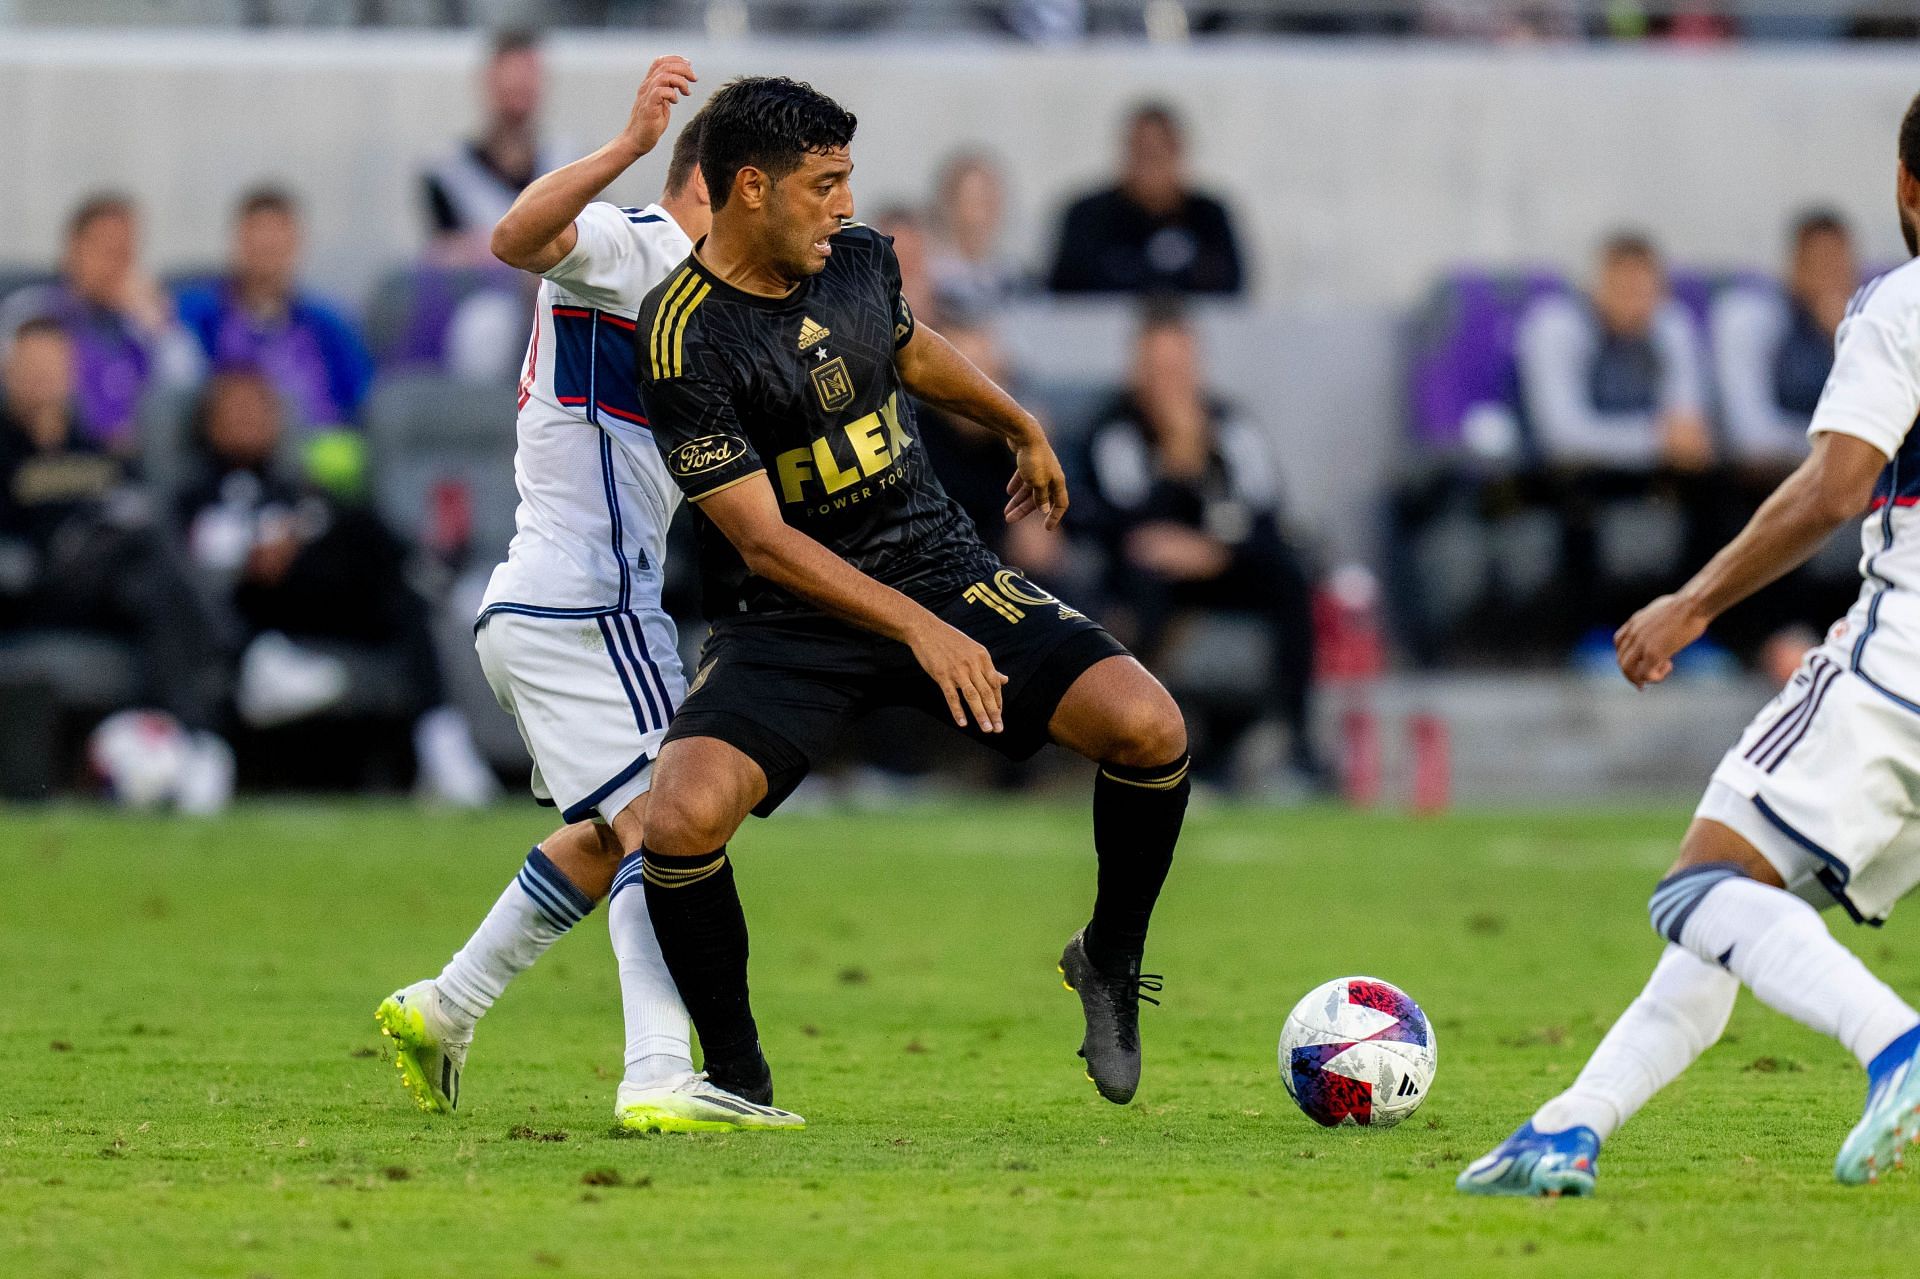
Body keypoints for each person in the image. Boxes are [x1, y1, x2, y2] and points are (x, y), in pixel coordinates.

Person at [633, 76, 1190, 1114]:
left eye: (848, 179)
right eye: (825, 184)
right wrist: (921, 632)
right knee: (680, 819)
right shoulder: (681, 335)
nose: (846, 203)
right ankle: (739, 1077)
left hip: (936, 563)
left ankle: (1109, 957)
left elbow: (905, 346)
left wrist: (1019, 419)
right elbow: (762, 538)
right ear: (751, 188)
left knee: (1149, 727)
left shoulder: (857, 258)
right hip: (787, 614)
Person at [1459, 94, 1920, 1196]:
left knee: (1700, 886)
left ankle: (1897, 1045)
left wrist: (1695, 601)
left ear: (1907, 189)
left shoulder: (1901, 301)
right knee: (1740, 909)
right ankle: (1570, 1124)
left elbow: (1838, 483)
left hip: (1902, 666)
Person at [375, 60, 798, 1134]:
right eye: (789, 186)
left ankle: (444, 1006)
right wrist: (623, 148)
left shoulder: (704, 297)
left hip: (561, 607)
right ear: (730, 183)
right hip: (584, 604)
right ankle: (657, 1068)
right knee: (670, 828)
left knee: (616, 833)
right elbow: (516, 239)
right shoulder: (636, 242)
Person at [174, 368, 496, 806]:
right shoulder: (194, 491)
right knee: (357, 542)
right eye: (235, 409)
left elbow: (319, 526)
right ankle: (438, 581)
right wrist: (258, 547)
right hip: (253, 603)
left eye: (259, 408)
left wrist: (299, 534)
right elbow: (193, 555)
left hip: (327, 596)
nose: (250, 420)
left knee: (385, 567)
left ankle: (441, 736)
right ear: (208, 422)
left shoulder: (292, 484)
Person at [1081, 305, 1324, 789]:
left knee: (1290, 576)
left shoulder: (1232, 427)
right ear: (1136, 370)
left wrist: (1216, 552)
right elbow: (1120, 523)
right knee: (1142, 580)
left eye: (1178, 368)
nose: (1168, 382)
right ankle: (1142, 743)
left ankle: (1299, 745)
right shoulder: (1115, 431)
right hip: (1152, 579)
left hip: (1223, 565)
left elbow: (1266, 513)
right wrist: (1174, 472)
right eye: (1156, 369)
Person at [0, 318, 232, 812]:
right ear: (9, 372)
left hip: (116, 584)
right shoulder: (5, 455)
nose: (43, 378)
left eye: (53, 366)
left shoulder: (102, 451)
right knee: (143, 539)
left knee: (153, 572)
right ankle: (232, 652)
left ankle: (192, 743)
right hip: (42, 584)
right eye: (31, 366)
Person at [0, 194, 202, 452]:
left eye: (124, 254)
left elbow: (188, 398)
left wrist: (161, 329)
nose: (114, 266)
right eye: (105, 250)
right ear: (73, 248)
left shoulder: (142, 324)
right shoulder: (33, 311)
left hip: (133, 459)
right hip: (52, 451)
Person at [176, 187, 376, 432]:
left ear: (296, 242)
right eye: (257, 237)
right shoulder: (199, 314)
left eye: (276, 238)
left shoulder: (329, 323)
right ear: (238, 241)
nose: (266, 248)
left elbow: (361, 399)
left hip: (314, 452)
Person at [1515, 233, 1713, 471]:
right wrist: (1656, 439)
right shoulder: (1557, 326)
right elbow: (1561, 437)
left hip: (1651, 475)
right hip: (1560, 479)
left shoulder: (1670, 324)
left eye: (1644, 292)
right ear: (1595, 288)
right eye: (1623, 291)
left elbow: (1686, 423)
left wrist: (1679, 435)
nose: (1634, 305)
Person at [1045, 103, 1244, 296]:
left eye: (1158, 152)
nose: (1149, 164)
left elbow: (1231, 287)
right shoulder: (1087, 216)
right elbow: (1065, 290)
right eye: (1141, 151)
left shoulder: (1209, 216)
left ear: (1178, 152)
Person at [1713, 211, 1859, 468]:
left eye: (1837, 266)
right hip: (1775, 478)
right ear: (1794, 265)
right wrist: (1841, 447)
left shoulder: (1872, 328)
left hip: (1852, 476)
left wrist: (1846, 342)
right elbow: (1752, 439)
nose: (1829, 278)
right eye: (1818, 264)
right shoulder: (1752, 321)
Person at [421, 30, 570, 264]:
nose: (518, 93)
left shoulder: (570, 162)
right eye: (510, 85)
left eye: (527, 82)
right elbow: (441, 258)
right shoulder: (446, 171)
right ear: (487, 83)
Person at [928, 150, 1022, 317]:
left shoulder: (1010, 273)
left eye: (992, 201)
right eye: (976, 202)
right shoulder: (934, 276)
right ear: (950, 205)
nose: (986, 213)